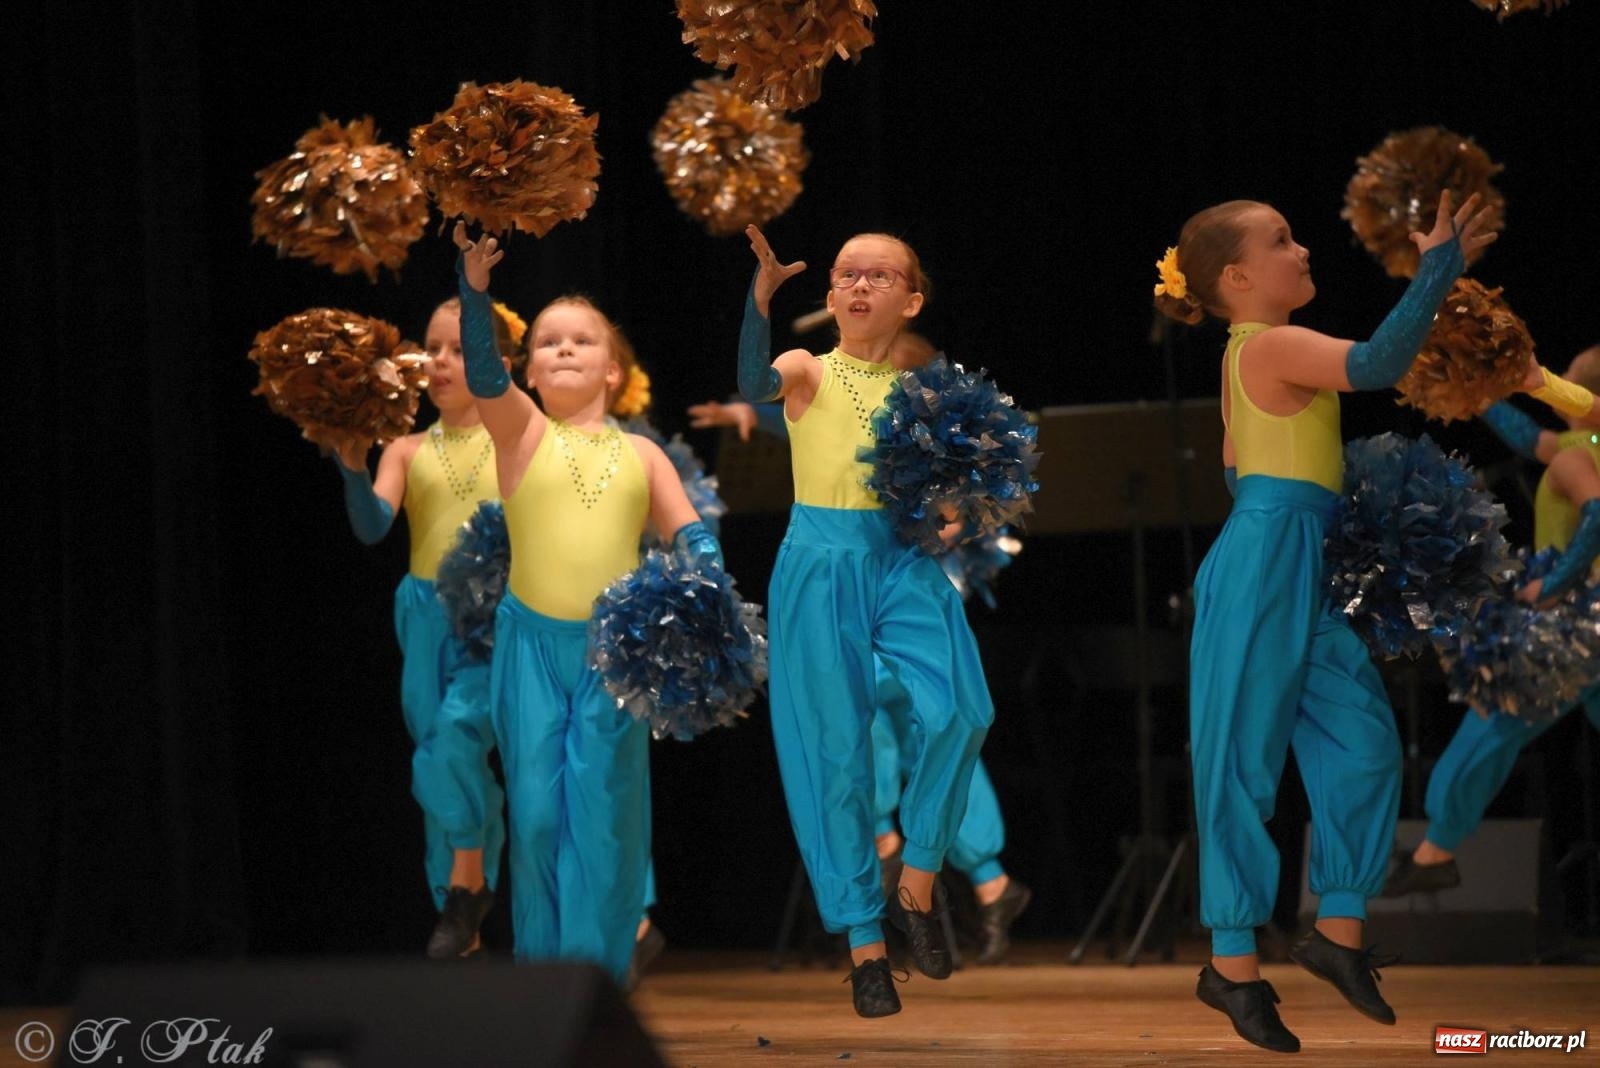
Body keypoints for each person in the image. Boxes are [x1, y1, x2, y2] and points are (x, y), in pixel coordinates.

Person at [1153, 192, 1496, 1052]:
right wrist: (1437, 272)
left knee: (1365, 743)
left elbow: (1240, 463)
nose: (1302, 250)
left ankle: (1335, 933)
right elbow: (1379, 364)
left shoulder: (1253, 354)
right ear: (1237, 278)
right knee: (1241, 760)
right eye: (1282, 240)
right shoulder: (1268, 344)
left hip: (1293, 558)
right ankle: (1230, 966)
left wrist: (1306, 528)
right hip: (1266, 563)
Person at [690, 331, 1030, 966]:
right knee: (862, 721)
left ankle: (961, 869)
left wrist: (962, 513)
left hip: (908, 573)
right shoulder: (832, 392)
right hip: (846, 573)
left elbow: (976, 491)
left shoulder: (933, 418)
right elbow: (816, 423)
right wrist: (750, 411)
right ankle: (912, 863)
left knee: (941, 716)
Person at [451, 222, 721, 986]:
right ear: (528, 371)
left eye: (582, 341)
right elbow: (480, 370)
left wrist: (702, 598)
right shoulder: (521, 430)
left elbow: (693, 537)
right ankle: (542, 986)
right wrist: (475, 290)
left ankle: (597, 988)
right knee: (536, 821)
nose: (564, 350)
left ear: (612, 369)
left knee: (603, 827)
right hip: (530, 649)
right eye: (547, 342)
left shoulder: (643, 453)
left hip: (617, 658)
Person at [734, 224, 993, 1016]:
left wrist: (957, 512)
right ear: (831, 295)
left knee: (962, 709)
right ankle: (864, 946)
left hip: (900, 561)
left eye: (879, 276)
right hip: (819, 562)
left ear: (909, 299)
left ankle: (916, 882)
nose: (859, 286)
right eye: (848, 274)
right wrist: (760, 299)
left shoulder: (928, 390)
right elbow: (753, 385)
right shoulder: (807, 368)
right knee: (833, 757)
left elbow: (954, 485)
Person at [332, 294, 521, 958]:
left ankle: (466, 889)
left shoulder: (515, 442)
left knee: (453, 744)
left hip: (491, 620)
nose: (438, 362)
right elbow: (372, 526)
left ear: (498, 363)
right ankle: (460, 920)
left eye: (458, 349)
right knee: (440, 767)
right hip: (422, 616)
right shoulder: (407, 449)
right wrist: (353, 466)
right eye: (431, 348)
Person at [1384, 346, 1600, 897]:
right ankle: (1438, 850)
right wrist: (1476, 392)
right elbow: (1527, 438)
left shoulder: (1575, 458)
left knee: (1497, 716)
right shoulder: (1577, 447)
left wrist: (1553, 585)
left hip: (1579, 629)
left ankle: (1437, 852)